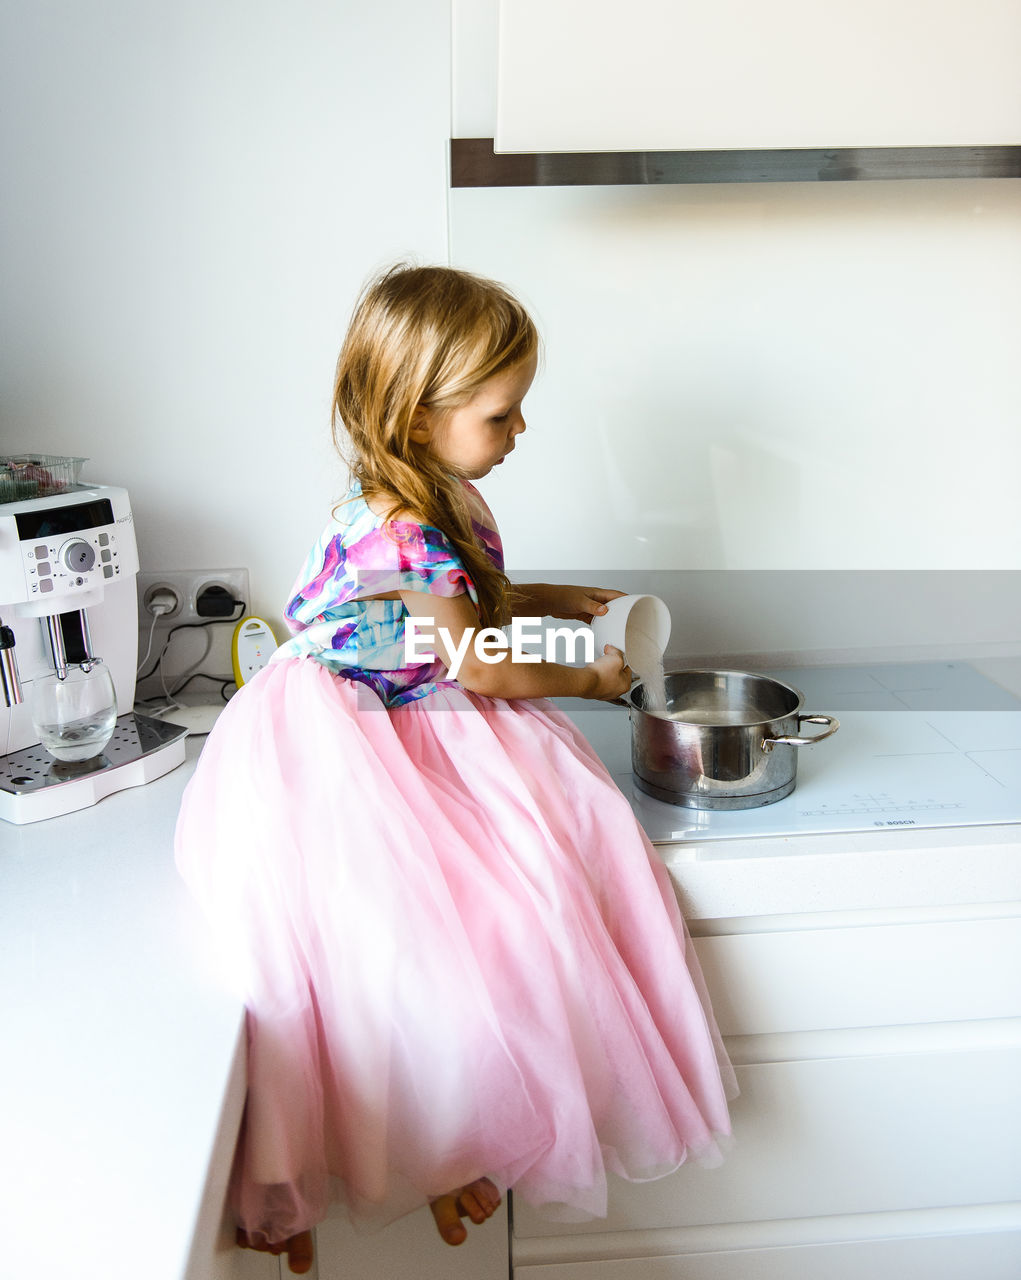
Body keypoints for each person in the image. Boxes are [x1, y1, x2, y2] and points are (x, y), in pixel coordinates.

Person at [175, 264, 736, 1275]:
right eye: (501, 413)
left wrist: (549, 595)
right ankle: (446, 1146)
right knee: (426, 945)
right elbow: (475, 655)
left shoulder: (443, 492)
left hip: (411, 700)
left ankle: (465, 1147)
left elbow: (476, 600)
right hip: (348, 730)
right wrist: (593, 678)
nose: (519, 431)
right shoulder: (396, 527)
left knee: (516, 902)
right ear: (416, 414)